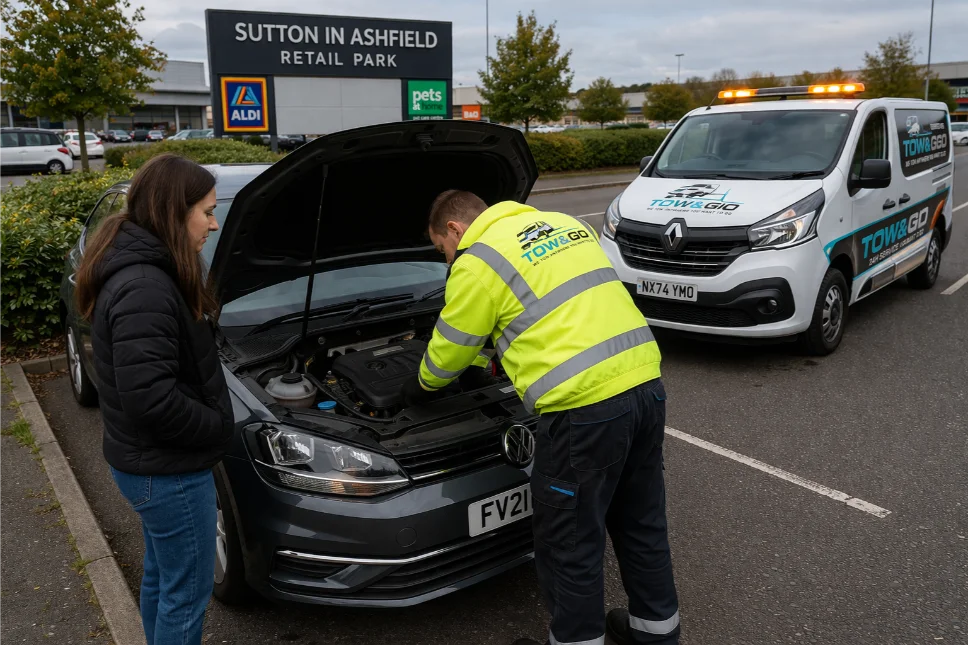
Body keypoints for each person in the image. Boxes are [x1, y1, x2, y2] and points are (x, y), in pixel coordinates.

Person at [403, 191, 680, 645]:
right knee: (640, 522)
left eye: (441, 250)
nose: (446, 259)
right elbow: (557, 312)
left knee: (569, 543)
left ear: (454, 230)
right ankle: (657, 635)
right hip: (645, 387)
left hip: (583, 410)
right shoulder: (564, 224)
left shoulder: (478, 261)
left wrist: (413, 389)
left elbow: (447, 356)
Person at [74, 154, 233, 645]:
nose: (213, 221)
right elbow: (152, 401)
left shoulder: (144, 268)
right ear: (172, 211)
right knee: (185, 596)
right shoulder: (145, 285)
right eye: (205, 211)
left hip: (149, 467)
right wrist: (217, 426)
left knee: (163, 580)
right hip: (171, 475)